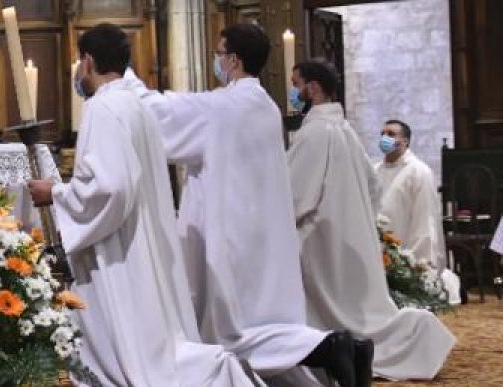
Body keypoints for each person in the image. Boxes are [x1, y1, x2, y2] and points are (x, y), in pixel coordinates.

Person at [124, 23, 372, 387]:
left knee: (234, 329)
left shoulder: (226, 106)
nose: (216, 60)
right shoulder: (265, 106)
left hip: (230, 234)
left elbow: (161, 115)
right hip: (266, 236)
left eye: (219, 54)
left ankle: (329, 346)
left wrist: (124, 80)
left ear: (234, 60)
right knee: (266, 318)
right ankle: (345, 347)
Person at [28, 24, 263, 387]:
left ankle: (219, 371)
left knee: (136, 357)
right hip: (138, 238)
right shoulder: (134, 104)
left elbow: (110, 188)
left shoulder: (103, 107)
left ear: (87, 60)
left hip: (116, 249)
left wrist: (55, 194)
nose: (78, 71)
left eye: (79, 61)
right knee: (147, 342)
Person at [287, 61, 454, 381]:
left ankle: (348, 347)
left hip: (321, 236)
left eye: (297, 84)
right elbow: (373, 187)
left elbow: (295, 195)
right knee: (356, 306)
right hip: (350, 234)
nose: (294, 92)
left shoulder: (316, 132)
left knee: (335, 308)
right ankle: (375, 342)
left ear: (314, 88)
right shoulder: (344, 130)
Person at [375, 120, 461, 303]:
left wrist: (417, 264)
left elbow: (425, 219)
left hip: (409, 250)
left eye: (391, 134)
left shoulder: (419, 171)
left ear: (405, 141)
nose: (384, 138)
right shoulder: (375, 170)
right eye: (382, 133)